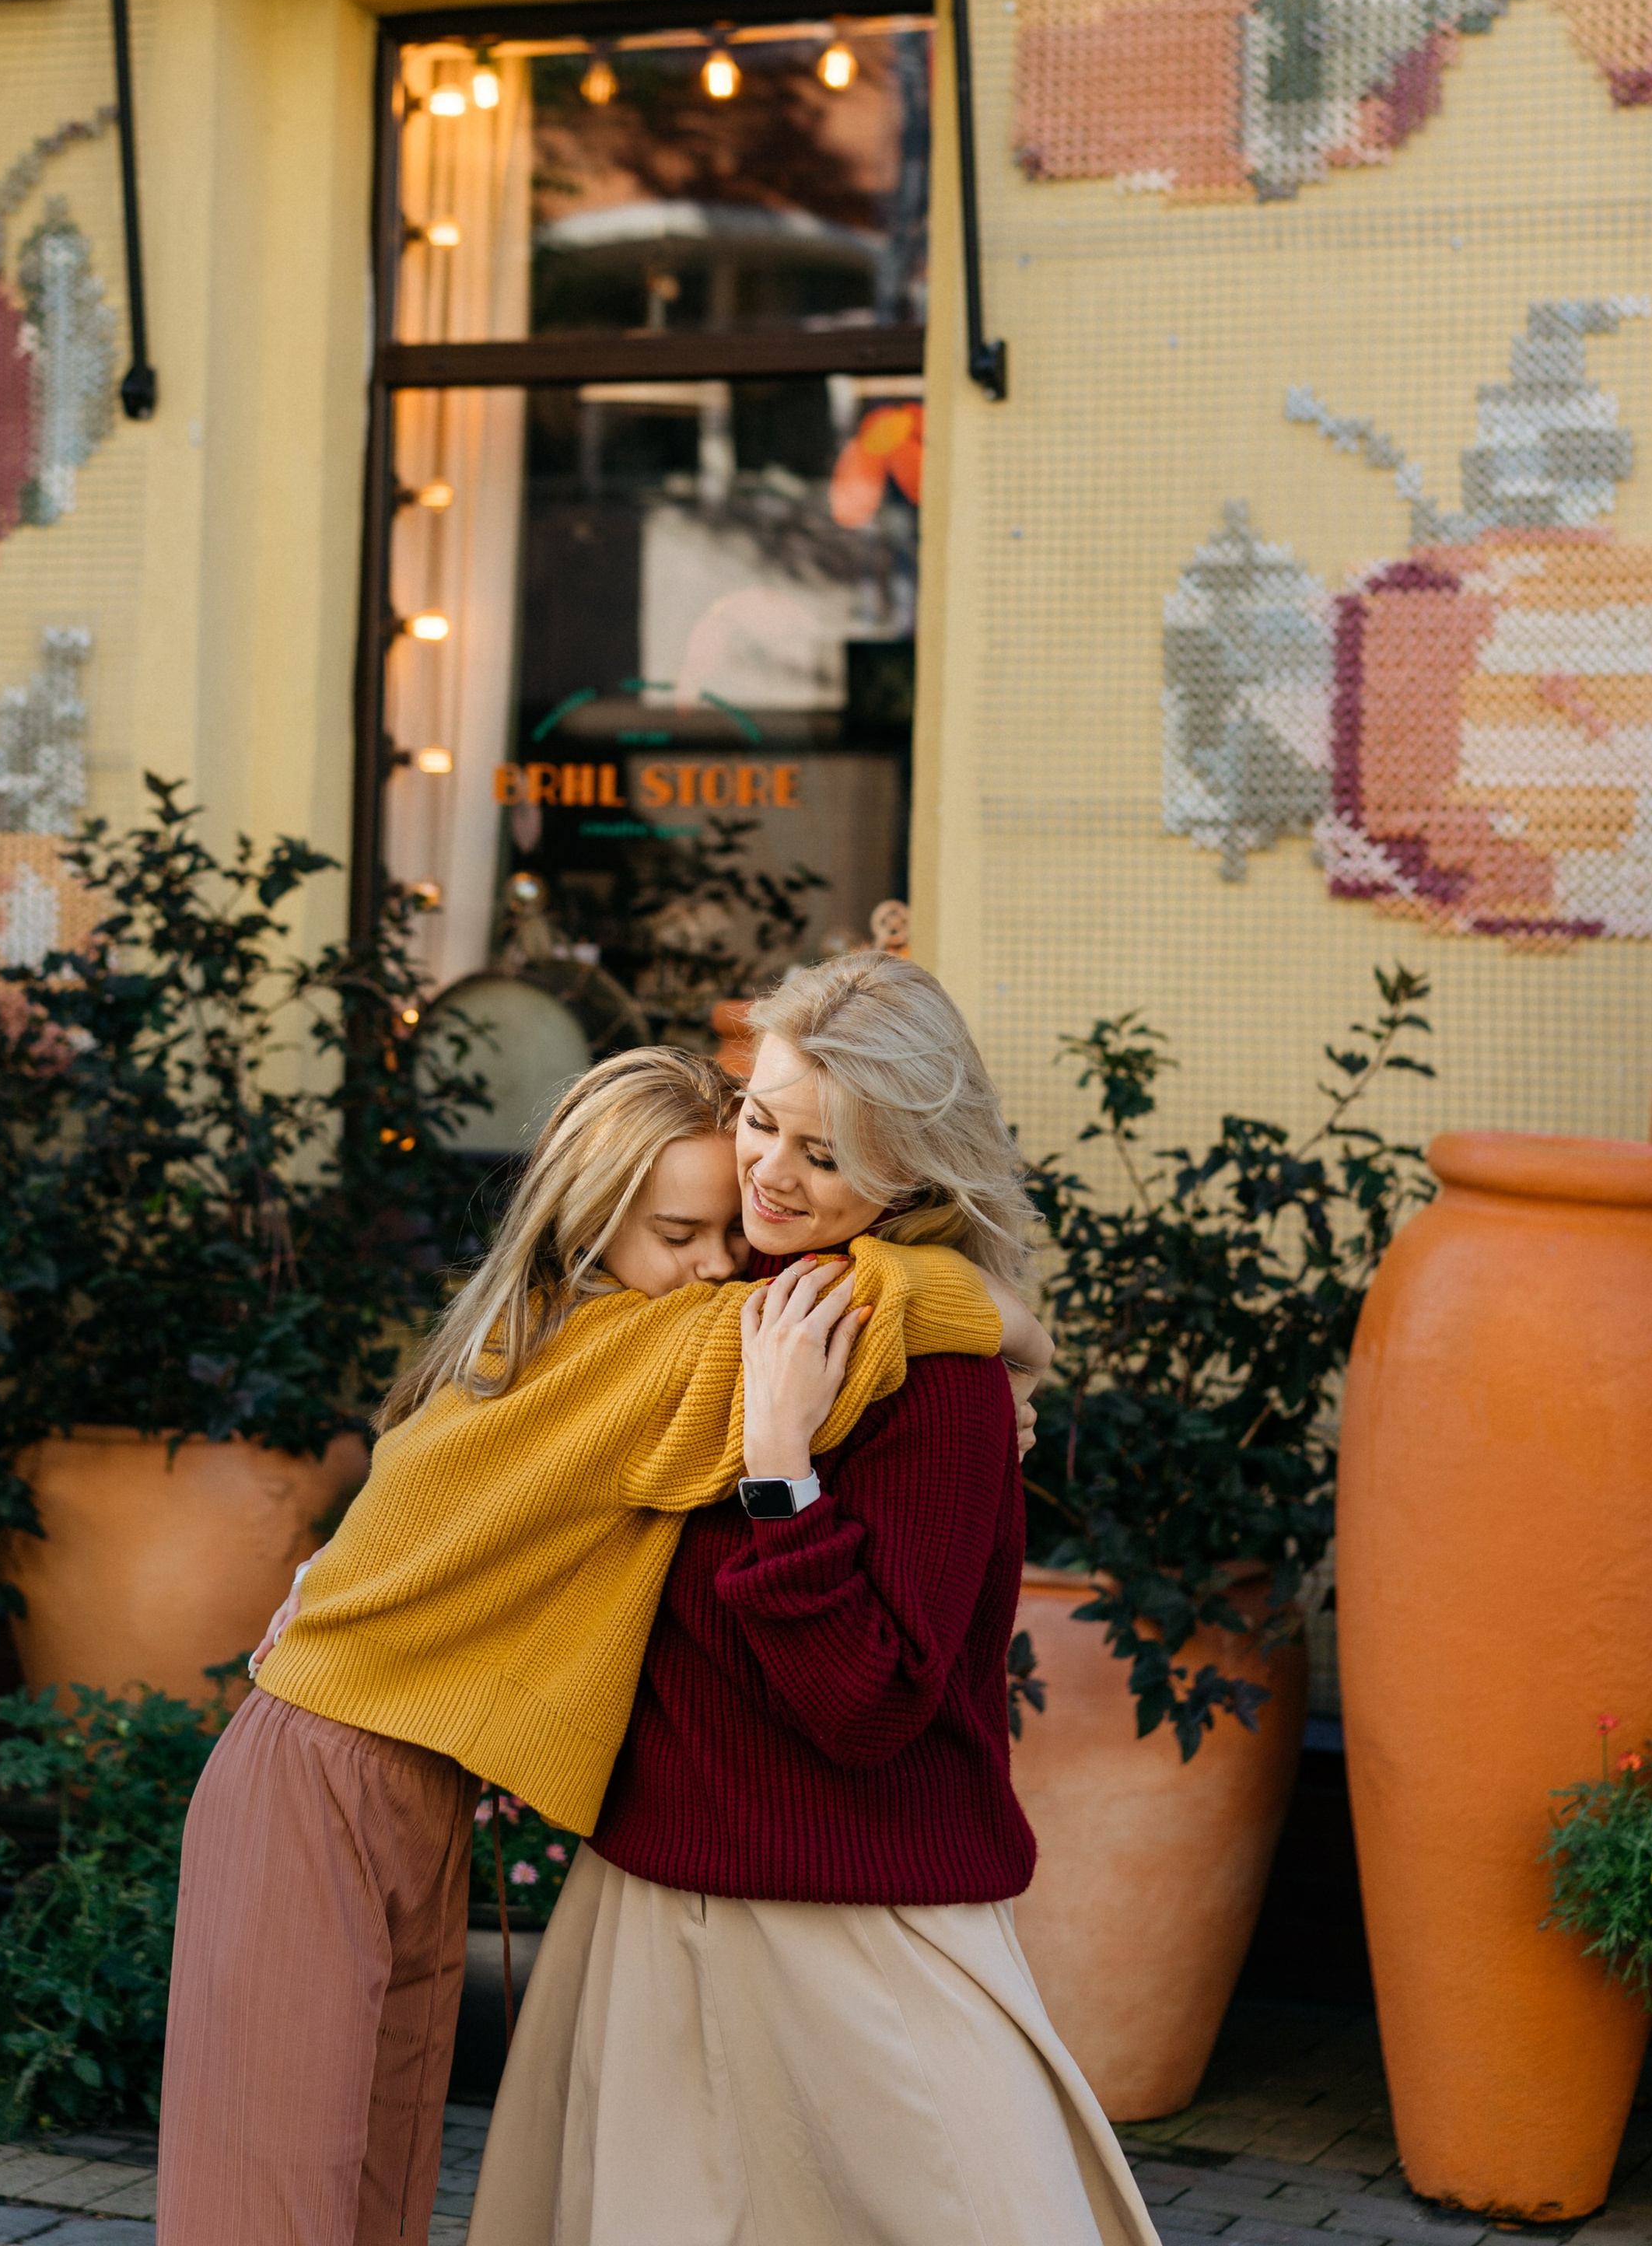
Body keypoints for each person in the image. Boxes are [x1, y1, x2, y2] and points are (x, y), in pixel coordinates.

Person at [156, 1042, 1049, 2246]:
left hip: (397, 1776)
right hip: (326, 1776)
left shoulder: (560, 1335)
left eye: (727, 1236)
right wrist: (1020, 1332)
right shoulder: (639, 1350)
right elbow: (892, 1306)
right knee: (268, 2200)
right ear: (590, 1228)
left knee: (375, 2184)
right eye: (678, 1234)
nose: (716, 1269)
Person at [467, 952, 1158, 2246]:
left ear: (912, 1177)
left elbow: (872, 1703)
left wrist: (782, 1474)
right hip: (652, 1905)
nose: (773, 1174)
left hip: (863, 1928)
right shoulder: (705, 1306)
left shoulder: (933, 1392)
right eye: (759, 1119)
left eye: (827, 1157)